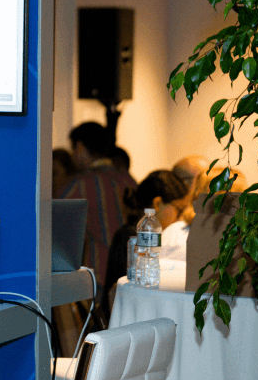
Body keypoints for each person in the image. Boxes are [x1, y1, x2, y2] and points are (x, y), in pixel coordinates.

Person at [59, 122, 136, 291]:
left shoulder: (78, 185)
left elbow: (55, 231)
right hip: (133, 273)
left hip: (97, 277)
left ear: (79, 147)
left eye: (73, 149)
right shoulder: (128, 180)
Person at [104, 170, 185, 305]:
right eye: (179, 209)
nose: (181, 217)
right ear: (157, 204)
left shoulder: (131, 232)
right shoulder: (133, 237)